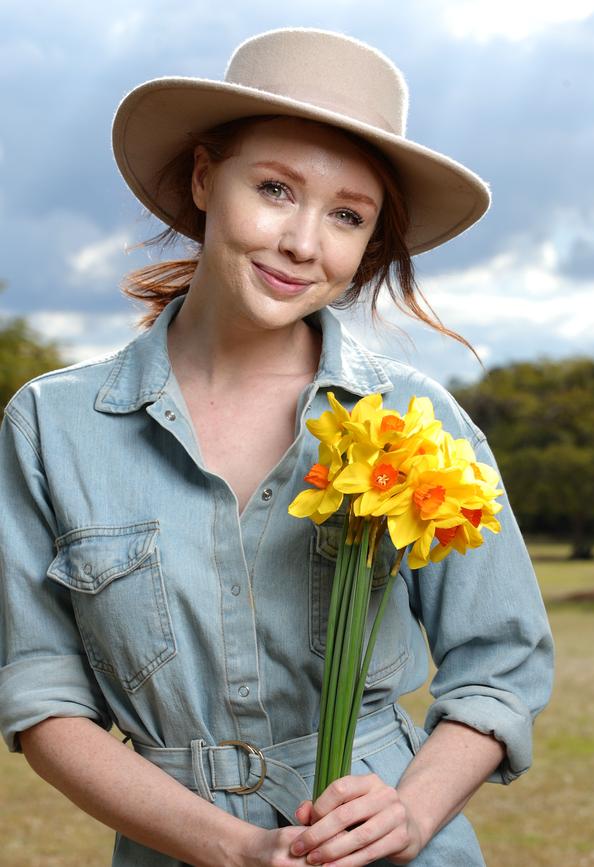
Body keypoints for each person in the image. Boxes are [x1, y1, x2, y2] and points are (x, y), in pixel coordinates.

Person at [0, 28, 553, 867]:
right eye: (274, 188)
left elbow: (501, 661)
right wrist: (229, 845)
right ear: (202, 178)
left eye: (347, 215)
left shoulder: (417, 420)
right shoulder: (51, 425)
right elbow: (42, 700)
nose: (303, 242)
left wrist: (407, 814)